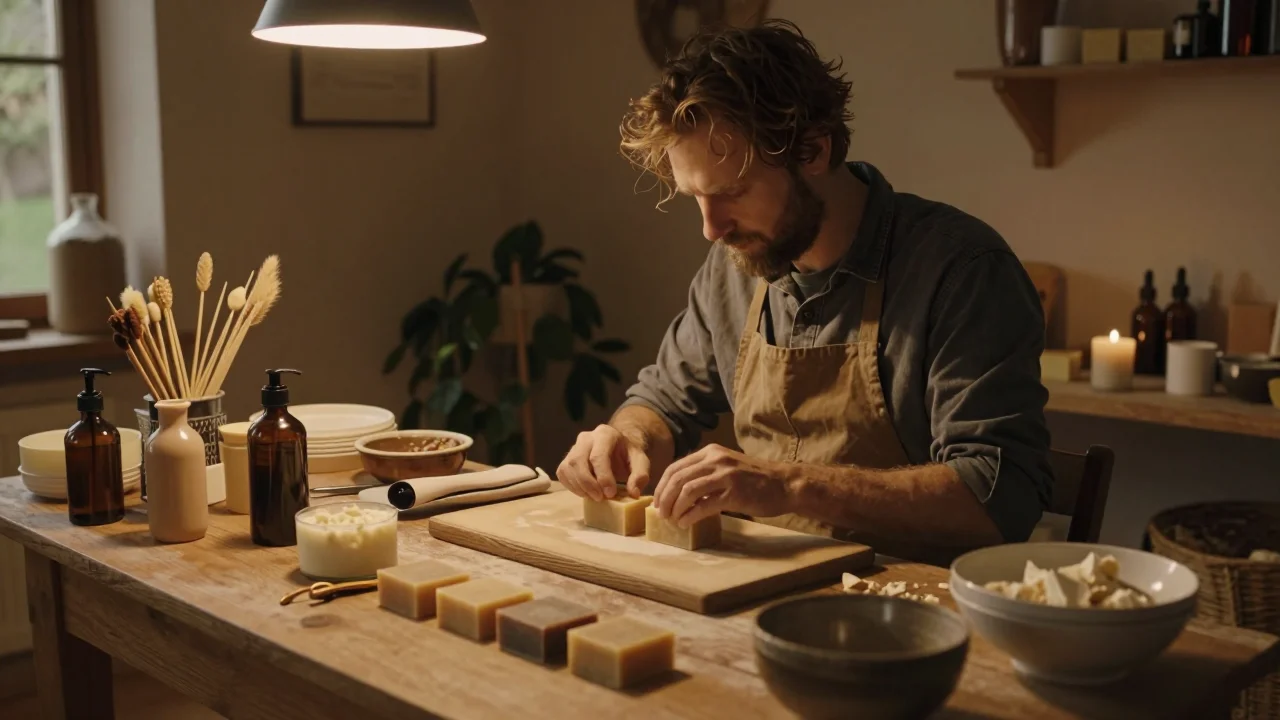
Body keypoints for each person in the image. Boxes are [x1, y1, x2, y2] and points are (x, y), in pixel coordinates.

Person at [555, 19, 1052, 564]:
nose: (711, 229)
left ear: (813, 150)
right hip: (755, 583)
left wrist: (787, 485)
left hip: (909, 597)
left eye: (733, 192)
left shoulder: (962, 271)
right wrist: (628, 437)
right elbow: (662, 402)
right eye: (694, 196)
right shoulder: (733, 265)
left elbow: (997, 497)